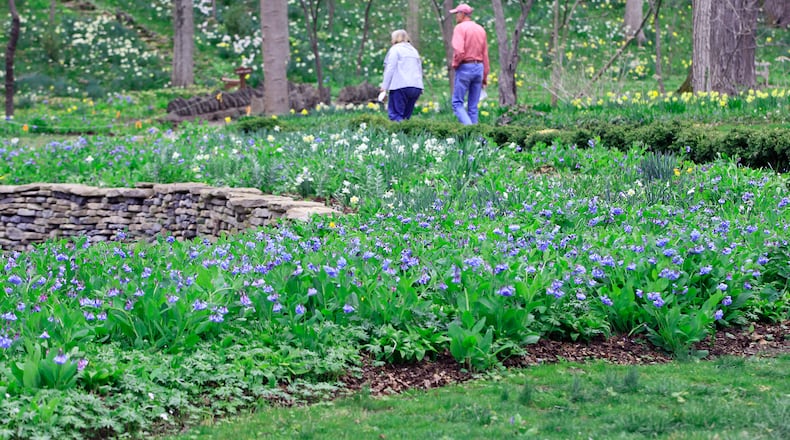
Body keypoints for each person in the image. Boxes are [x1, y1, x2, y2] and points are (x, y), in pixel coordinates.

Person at [449, 3, 489, 125]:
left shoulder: (459, 28)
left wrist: (455, 64)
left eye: (457, 14)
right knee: (473, 107)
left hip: (465, 66)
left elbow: (459, 51)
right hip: (479, 68)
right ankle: (476, 139)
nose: (455, 16)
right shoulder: (480, 29)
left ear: (462, 14)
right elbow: (485, 55)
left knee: (457, 104)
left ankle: (470, 130)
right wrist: (485, 76)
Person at [380, 29, 424, 122]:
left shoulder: (395, 50)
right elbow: (419, 69)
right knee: (405, 117)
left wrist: (384, 87)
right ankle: (406, 134)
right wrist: (421, 87)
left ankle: (398, 134)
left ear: (394, 39)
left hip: (400, 86)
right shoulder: (414, 50)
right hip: (416, 87)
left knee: (395, 115)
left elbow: (390, 68)